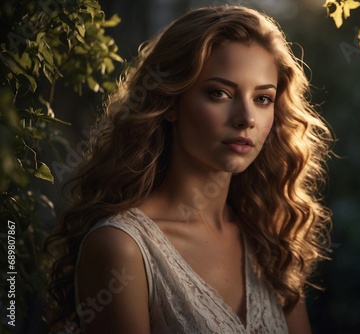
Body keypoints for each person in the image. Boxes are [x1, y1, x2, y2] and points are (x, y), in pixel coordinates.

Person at [44, 5, 333, 334]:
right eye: (219, 93)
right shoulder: (122, 247)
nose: (246, 118)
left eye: (263, 99)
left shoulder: (269, 238)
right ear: (169, 103)